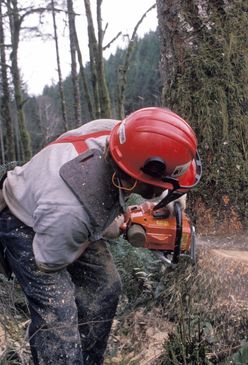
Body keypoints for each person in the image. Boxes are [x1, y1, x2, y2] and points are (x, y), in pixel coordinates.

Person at [0, 107, 201, 365]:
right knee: (57, 312)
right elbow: (49, 260)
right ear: (136, 179)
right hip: (25, 223)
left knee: (105, 287)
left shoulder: (127, 136)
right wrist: (111, 226)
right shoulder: (72, 211)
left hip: (67, 207)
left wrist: (166, 198)